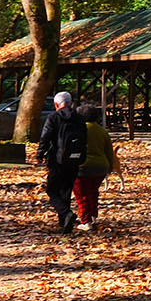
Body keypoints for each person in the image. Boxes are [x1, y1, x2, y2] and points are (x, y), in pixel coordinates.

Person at [33, 92, 87, 235]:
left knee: (52, 190)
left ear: (56, 105)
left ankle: (66, 214)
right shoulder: (80, 119)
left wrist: (40, 154)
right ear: (70, 103)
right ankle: (64, 225)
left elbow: (45, 137)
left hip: (57, 160)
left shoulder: (53, 118)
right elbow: (84, 138)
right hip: (75, 160)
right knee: (66, 191)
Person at [74, 103, 118, 229]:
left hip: (82, 166)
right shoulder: (102, 131)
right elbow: (109, 150)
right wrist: (110, 166)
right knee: (93, 192)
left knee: (82, 195)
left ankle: (85, 221)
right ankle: (93, 216)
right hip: (100, 166)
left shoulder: (78, 129)